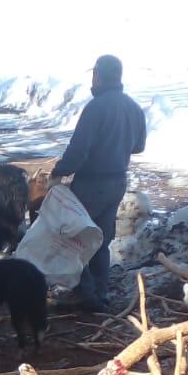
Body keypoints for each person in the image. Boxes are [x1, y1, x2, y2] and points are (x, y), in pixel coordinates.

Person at [53, 54, 146, 313]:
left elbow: (78, 150)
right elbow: (139, 146)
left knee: (78, 239)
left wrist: (59, 172)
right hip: (117, 182)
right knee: (100, 240)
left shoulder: (96, 108)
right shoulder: (133, 108)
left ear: (98, 75)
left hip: (91, 184)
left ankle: (85, 294)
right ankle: (100, 293)